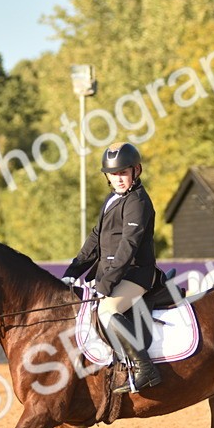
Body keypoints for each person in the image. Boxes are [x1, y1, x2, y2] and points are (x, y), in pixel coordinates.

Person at [62, 142, 162, 394]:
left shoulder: (138, 202)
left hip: (136, 274)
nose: (118, 178)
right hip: (113, 274)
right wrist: (73, 272)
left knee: (106, 310)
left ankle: (144, 368)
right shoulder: (112, 199)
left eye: (123, 173)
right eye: (113, 174)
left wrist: (106, 283)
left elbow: (128, 246)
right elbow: (95, 239)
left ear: (135, 171)